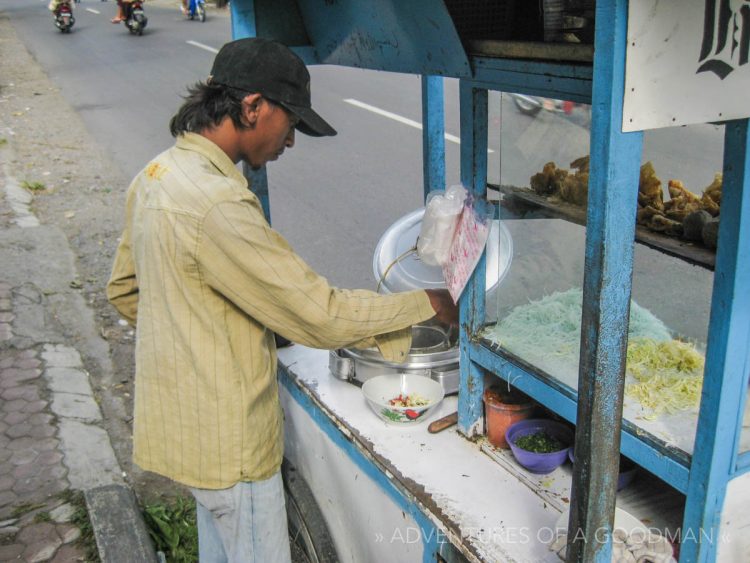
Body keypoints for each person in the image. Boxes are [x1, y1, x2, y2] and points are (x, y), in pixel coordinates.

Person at [106, 37, 458, 562]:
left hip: (192, 435)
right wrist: (428, 304)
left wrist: (200, 330)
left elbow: (126, 291)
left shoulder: (158, 175)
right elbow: (321, 314)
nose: (290, 142)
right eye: (290, 123)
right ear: (252, 107)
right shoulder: (219, 203)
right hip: (232, 445)